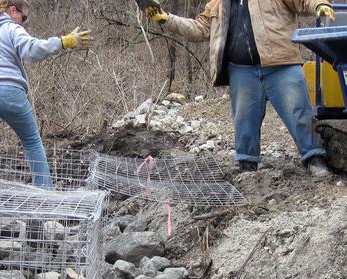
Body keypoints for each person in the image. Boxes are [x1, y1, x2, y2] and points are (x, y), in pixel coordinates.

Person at [143, 0, 334, 176]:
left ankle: (314, 158)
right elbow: (199, 29)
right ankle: (247, 165)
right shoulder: (217, 4)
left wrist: (319, 5)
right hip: (241, 71)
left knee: (298, 112)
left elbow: (303, 1)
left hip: (282, 64)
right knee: (244, 121)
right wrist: (166, 19)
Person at [0, 0, 92, 188]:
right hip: (10, 92)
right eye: (24, 17)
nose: (24, 22)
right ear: (13, 10)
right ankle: (45, 196)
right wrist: (64, 42)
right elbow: (32, 50)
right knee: (32, 143)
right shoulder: (11, 28)